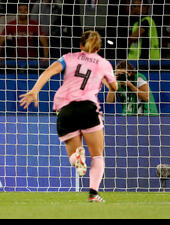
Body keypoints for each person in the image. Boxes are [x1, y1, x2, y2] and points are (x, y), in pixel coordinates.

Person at [19, 31, 118, 202]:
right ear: (99, 47)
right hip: (88, 108)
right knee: (97, 155)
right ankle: (93, 193)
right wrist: (109, 84)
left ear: (80, 46)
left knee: (75, 158)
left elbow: (48, 72)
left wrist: (34, 91)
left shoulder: (69, 57)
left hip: (65, 110)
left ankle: (76, 158)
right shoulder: (103, 63)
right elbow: (114, 86)